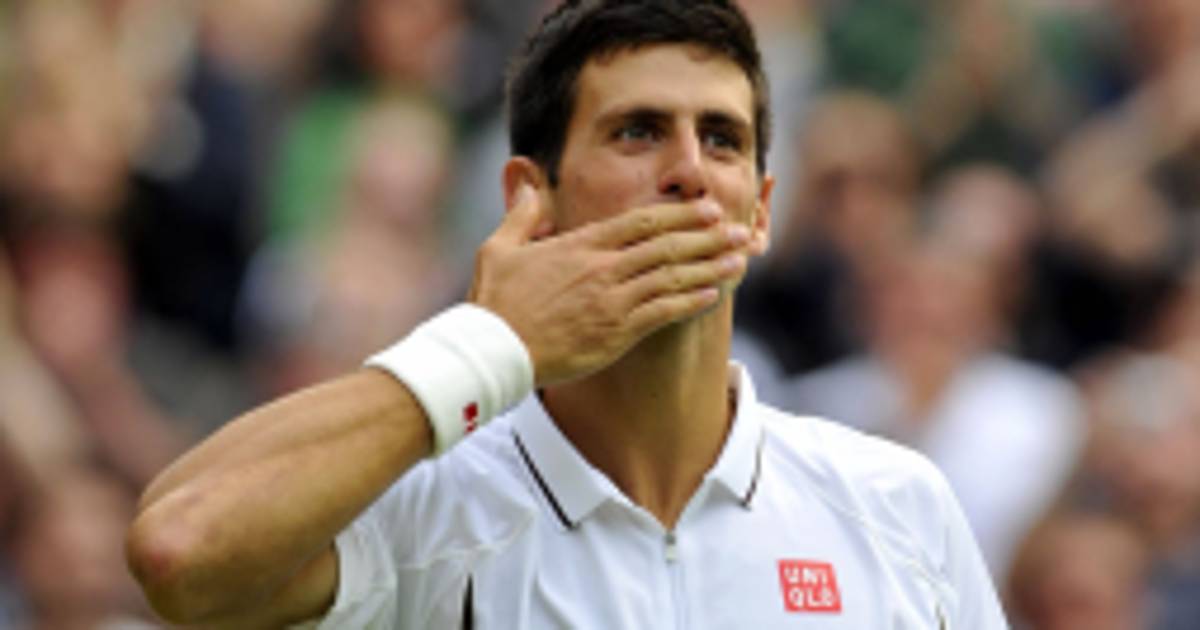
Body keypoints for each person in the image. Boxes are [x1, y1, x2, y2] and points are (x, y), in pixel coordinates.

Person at [126, 1, 1008, 627]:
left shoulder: (897, 506)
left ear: (761, 211)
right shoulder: (427, 504)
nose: (690, 171)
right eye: (638, 131)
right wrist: (492, 340)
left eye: (722, 139)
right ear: (530, 199)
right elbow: (178, 548)